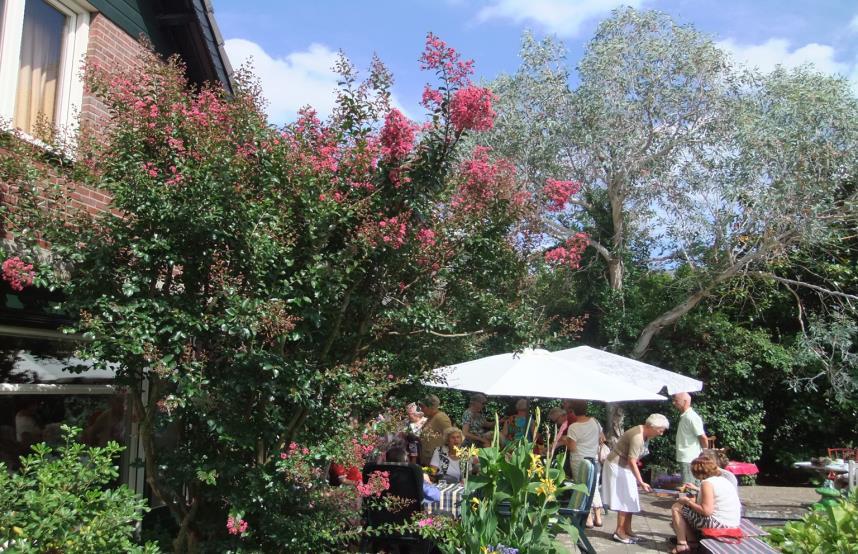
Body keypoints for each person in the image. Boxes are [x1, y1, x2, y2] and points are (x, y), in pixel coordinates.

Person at [602, 413, 670, 544]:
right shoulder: (637, 437)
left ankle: (628, 530)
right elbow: (632, 461)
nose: (661, 434)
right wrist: (641, 482)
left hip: (625, 466)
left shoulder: (644, 432)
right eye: (660, 430)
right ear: (651, 426)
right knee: (625, 498)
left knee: (631, 498)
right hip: (617, 466)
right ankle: (619, 532)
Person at [670, 455, 742, 553]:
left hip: (719, 524)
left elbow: (706, 511)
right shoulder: (723, 480)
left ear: (698, 472)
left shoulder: (707, 483)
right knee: (687, 511)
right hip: (733, 522)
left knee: (677, 507)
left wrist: (687, 501)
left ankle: (682, 544)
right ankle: (692, 542)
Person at [566, 400, 606, 528]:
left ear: (573, 411)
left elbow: (572, 447)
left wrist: (566, 440)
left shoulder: (574, 427)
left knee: (583, 487)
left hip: (579, 460)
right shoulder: (595, 421)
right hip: (593, 459)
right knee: (593, 487)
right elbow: (602, 438)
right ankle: (598, 517)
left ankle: (588, 518)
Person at [673, 393, 708, 488]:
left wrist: (705, 453)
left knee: (689, 487)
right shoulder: (685, 416)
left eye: (676, 400)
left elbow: (703, 437)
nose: (674, 403)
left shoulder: (691, 417)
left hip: (690, 458)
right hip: (686, 457)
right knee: (689, 486)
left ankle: (689, 503)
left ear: (685, 402)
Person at [417, 394, 452, 466]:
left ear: (431, 407)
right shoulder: (430, 417)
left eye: (423, 406)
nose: (421, 409)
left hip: (435, 461)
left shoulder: (441, 418)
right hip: (427, 459)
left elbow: (451, 437)